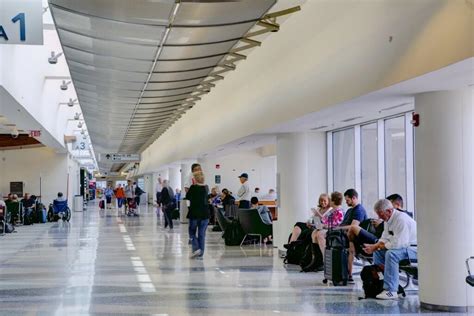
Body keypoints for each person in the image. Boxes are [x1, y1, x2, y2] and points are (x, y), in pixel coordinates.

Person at [363, 199, 417, 300]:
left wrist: (379, 246)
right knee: (378, 252)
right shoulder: (388, 220)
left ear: (389, 211)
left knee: (391, 254)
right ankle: (381, 282)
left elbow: (399, 244)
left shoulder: (401, 219)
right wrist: (374, 247)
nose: (379, 217)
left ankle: (391, 290)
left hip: (413, 249)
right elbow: (384, 238)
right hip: (403, 248)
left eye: (381, 214)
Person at [303, 192, 344, 272]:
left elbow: (335, 224)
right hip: (328, 228)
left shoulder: (339, 211)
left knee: (319, 234)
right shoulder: (332, 211)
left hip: (335, 231)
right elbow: (324, 221)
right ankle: (317, 260)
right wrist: (315, 223)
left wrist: (323, 225)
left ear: (333, 201)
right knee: (314, 232)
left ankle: (325, 261)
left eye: (330, 200)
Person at [334, 189, 368, 282]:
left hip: (354, 238)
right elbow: (343, 224)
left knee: (348, 245)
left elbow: (353, 227)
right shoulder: (349, 211)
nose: (346, 202)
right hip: (345, 234)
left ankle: (348, 273)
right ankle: (339, 271)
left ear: (354, 198)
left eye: (347, 200)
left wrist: (338, 229)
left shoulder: (359, 210)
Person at [186, 171, 210, 259]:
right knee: (201, 234)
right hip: (205, 214)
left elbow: (188, 197)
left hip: (194, 214)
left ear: (195, 179)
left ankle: (196, 249)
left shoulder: (193, 187)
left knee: (191, 232)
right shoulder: (206, 188)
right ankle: (201, 254)